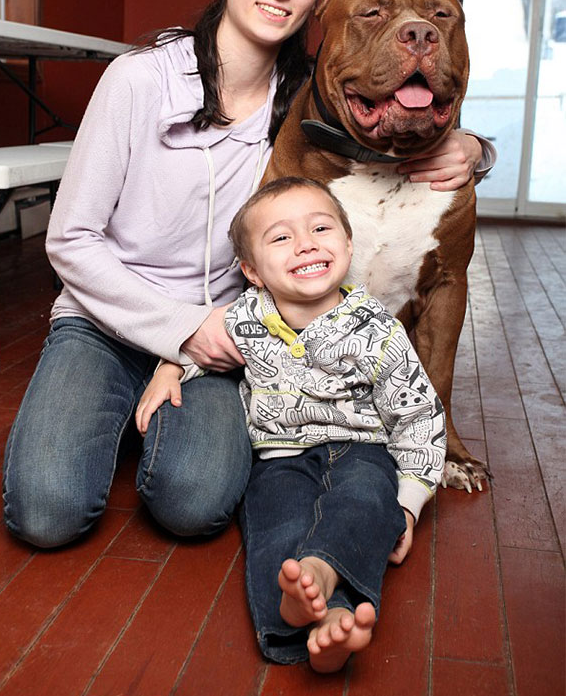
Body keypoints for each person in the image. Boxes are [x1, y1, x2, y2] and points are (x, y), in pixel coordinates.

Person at [3, 0, 491, 550]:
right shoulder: (139, 79)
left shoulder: (306, 109)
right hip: (104, 316)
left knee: (194, 504)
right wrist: (177, 332)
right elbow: (70, 239)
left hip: (220, 334)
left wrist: (471, 146)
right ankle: (107, 399)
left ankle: (147, 406)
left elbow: (399, 119)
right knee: (47, 512)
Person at [138, 176, 446, 673]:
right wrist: (171, 367)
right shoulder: (243, 320)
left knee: (366, 504)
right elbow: (199, 349)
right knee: (275, 525)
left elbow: (418, 418)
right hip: (277, 459)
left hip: (362, 449)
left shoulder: (378, 329)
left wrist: (407, 507)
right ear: (252, 271)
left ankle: (324, 578)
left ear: (348, 245)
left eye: (321, 228)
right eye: (281, 237)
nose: (306, 243)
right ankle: (302, 618)